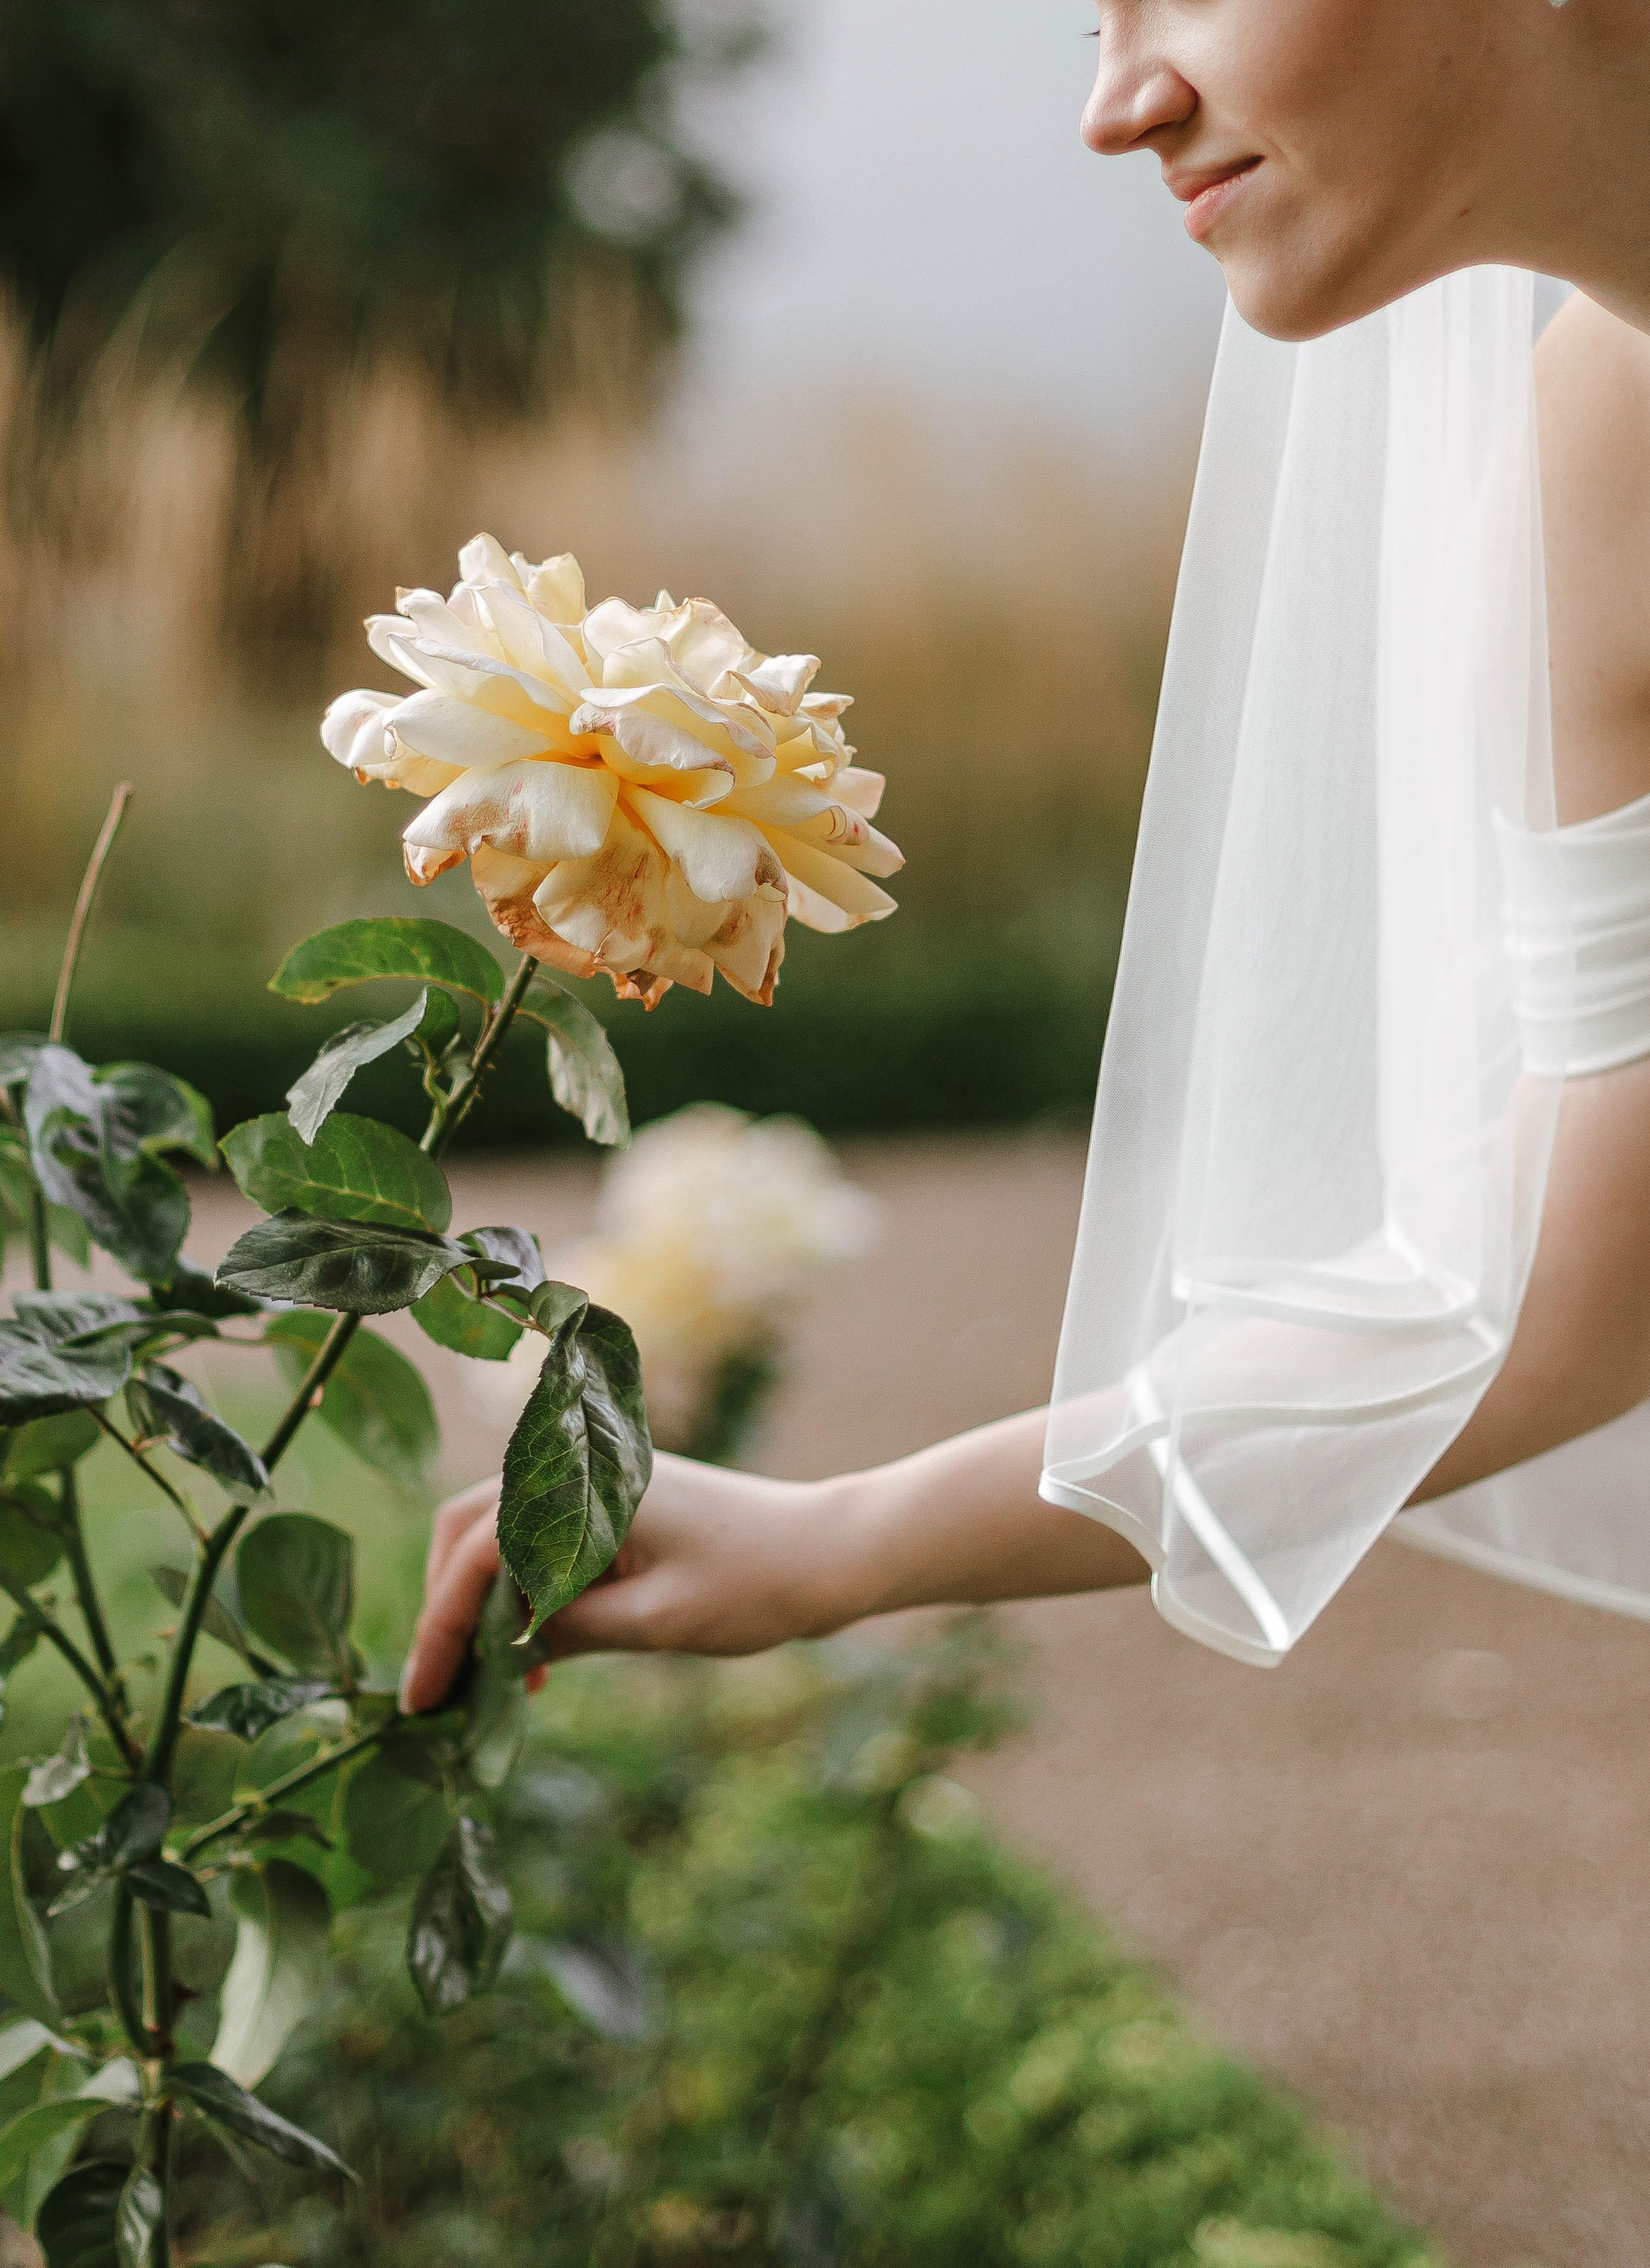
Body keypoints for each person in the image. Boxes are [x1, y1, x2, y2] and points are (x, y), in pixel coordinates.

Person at [401, 0, 1650, 1711]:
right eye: (1091, 16)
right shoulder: (1603, 466)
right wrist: (845, 1538)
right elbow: (1564, 1289)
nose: (1116, 105)